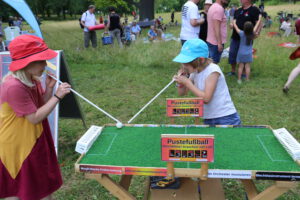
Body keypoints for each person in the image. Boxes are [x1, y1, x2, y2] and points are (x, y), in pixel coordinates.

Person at [0, 35, 71, 200]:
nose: (45, 64)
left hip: (34, 137)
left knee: (41, 187)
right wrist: (57, 97)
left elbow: (39, 106)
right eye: (41, 60)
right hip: (17, 144)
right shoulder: (13, 86)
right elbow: (34, 118)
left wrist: (49, 90)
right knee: (20, 189)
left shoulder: (32, 79)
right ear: (27, 63)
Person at [173, 38, 241, 125]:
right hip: (209, 118)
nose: (183, 65)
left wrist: (187, 83)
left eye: (187, 63)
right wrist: (180, 83)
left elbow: (206, 98)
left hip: (225, 118)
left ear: (201, 60)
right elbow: (182, 93)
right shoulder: (195, 71)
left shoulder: (213, 71)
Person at [228, 0, 261, 76]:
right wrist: (231, 24)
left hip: (247, 37)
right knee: (232, 53)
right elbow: (233, 21)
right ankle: (233, 71)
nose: (240, 0)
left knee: (244, 54)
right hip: (235, 36)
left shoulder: (254, 10)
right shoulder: (238, 10)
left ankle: (243, 72)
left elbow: (258, 22)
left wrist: (257, 33)